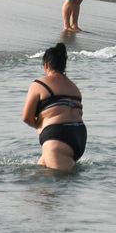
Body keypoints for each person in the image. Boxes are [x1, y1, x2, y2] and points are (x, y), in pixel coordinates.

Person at [21, 43, 86, 171]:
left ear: (46, 65)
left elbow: (26, 118)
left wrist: (41, 127)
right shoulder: (74, 88)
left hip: (58, 137)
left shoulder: (38, 84)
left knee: (55, 186)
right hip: (79, 136)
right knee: (38, 177)